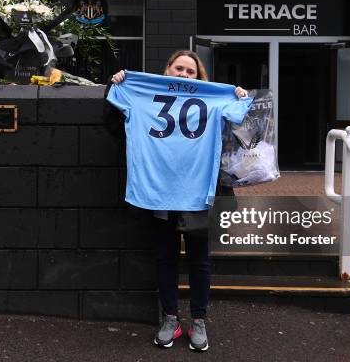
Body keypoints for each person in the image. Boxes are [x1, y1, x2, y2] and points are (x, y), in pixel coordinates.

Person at [105, 50, 248, 352]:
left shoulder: (215, 99)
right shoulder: (143, 93)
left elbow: (242, 128)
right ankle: (170, 317)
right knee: (165, 257)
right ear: (167, 69)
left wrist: (237, 97)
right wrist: (115, 85)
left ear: (198, 77)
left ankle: (199, 320)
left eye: (190, 71)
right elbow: (115, 125)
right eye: (178, 68)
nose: (183, 74)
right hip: (161, 190)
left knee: (199, 259)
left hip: (197, 189)